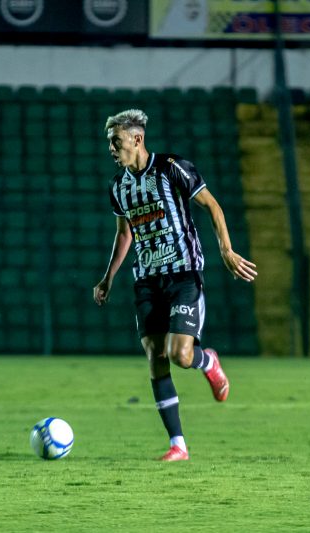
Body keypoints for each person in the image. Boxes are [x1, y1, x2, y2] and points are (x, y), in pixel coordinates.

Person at [93, 109, 257, 462]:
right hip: (147, 279)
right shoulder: (118, 187)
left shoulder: (172, 167)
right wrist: (108, 278)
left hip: (184, 274)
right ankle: (178, 445)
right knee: (156, 357)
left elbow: (212, 206)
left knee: (181, 354)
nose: (111, 148)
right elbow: (125, 234)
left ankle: (208, 362)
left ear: (136, 139)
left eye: (116, 141)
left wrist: (226, 250)